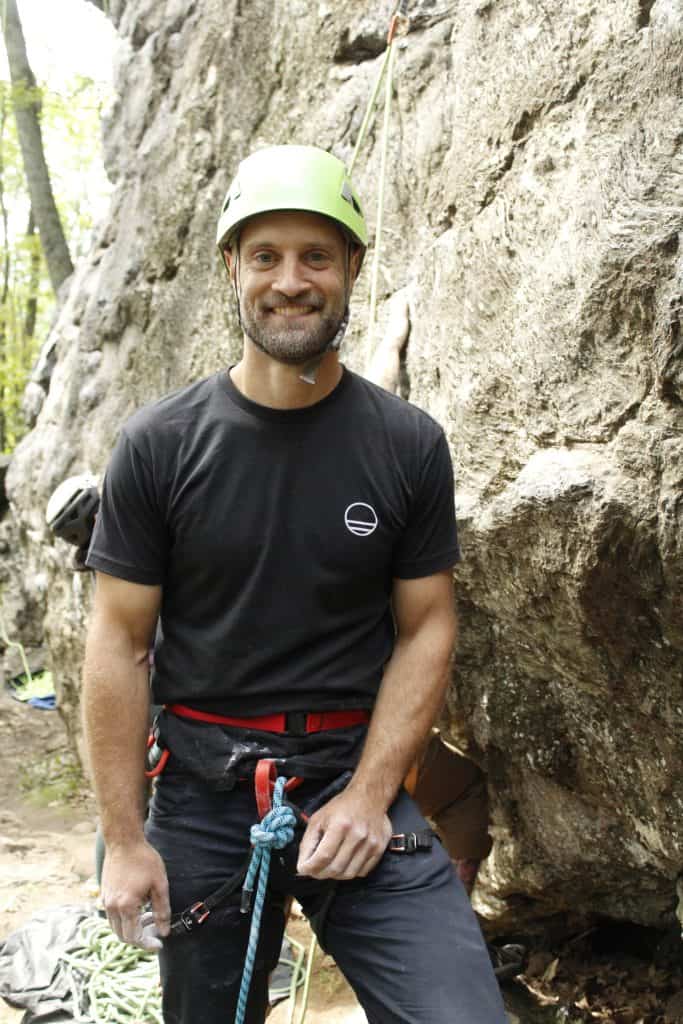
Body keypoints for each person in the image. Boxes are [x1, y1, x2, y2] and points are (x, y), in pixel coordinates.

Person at [81, 144, 508, 1023]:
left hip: (353, 781)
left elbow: (427, 624)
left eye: (317, 256)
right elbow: (118, 643)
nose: (291, 280)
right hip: (202, 791)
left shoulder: (406, 445)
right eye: (265, 255)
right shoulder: (160, 446)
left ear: (352, 267)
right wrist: (125, 841)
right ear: (230, 267)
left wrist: (366, 795)